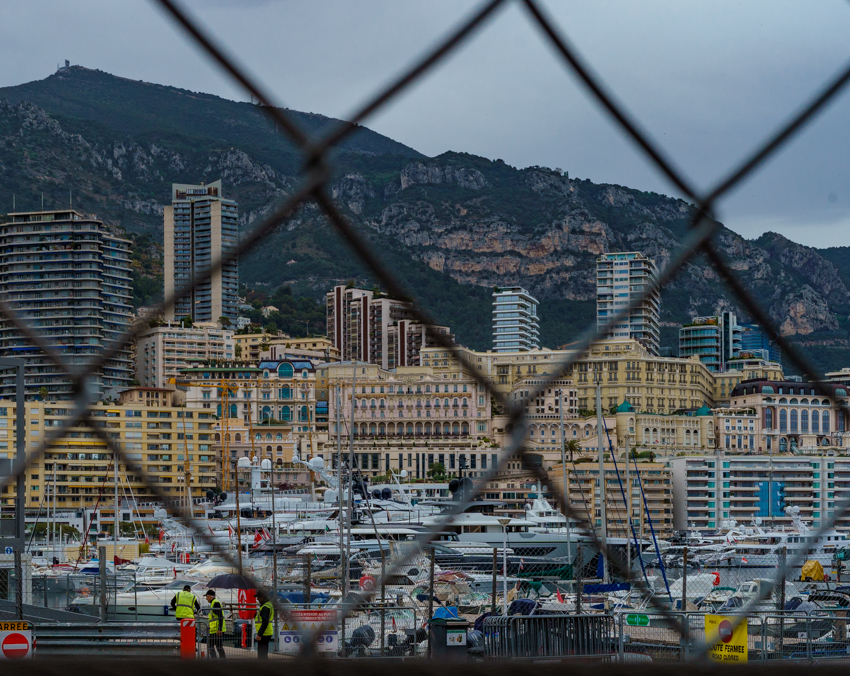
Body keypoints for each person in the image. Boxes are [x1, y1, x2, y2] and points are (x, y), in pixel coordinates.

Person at [253, 589, 274, 659]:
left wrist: (259, 634)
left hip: (264, 633)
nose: (257, 599)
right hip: (266, 632)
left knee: (262, 654)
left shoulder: (265, 607)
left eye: (258, 597)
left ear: (263, 597)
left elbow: (265, 622)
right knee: (263, 653)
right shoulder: (266, 605)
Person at [205, 590, 226, 659]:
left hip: (216, 630)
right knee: (216, 646)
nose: (206, 599)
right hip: (214, 629)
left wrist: (219, 629)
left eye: (207, 597)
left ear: (210, 596)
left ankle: (219, 661)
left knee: (214, 646)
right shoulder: (213, 603)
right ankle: (222, 660)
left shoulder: (215, 603)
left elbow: (220, 616)